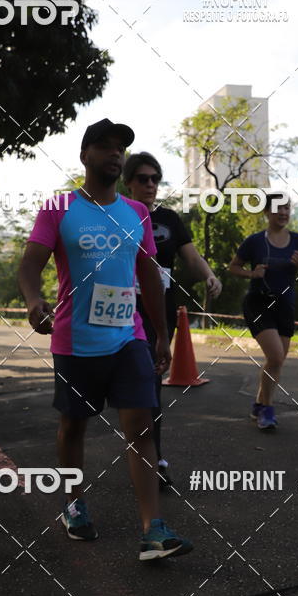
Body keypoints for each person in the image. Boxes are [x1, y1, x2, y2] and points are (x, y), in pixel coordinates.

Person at [18, 118, 193, 561]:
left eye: (120, 148)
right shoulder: (60, 206)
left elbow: (149, 275)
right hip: (75, 342)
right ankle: (73, 504)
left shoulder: (136, 213)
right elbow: (29, 265)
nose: (115, 153)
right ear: (84, 155)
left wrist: (161, 335)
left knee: (141, 426)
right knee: (73, 425)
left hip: (127, 337)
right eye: (105, 146)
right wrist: (34, 300)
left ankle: (153, 529)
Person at [124, 152, 222, 488]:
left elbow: (190, 255)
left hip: (159, 318)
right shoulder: (117, 215)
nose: (150, 184)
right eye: (142, 178)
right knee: (129, 391)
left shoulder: (169, 219)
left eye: (155, 178)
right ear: (128, 183)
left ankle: (155, 458)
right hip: (120, 315)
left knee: (150, 391)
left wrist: (209, 275)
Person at [228, 193, 298, 430]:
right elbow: (233, 267)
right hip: (258, 303)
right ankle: (267, 411)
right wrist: (252, 274)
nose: (283, 213)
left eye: (287, 209)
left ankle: (258, 404)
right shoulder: (254, 241)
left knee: (276, 362)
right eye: (278, 209)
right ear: (266, 212)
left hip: (285, 305)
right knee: (276, 357)